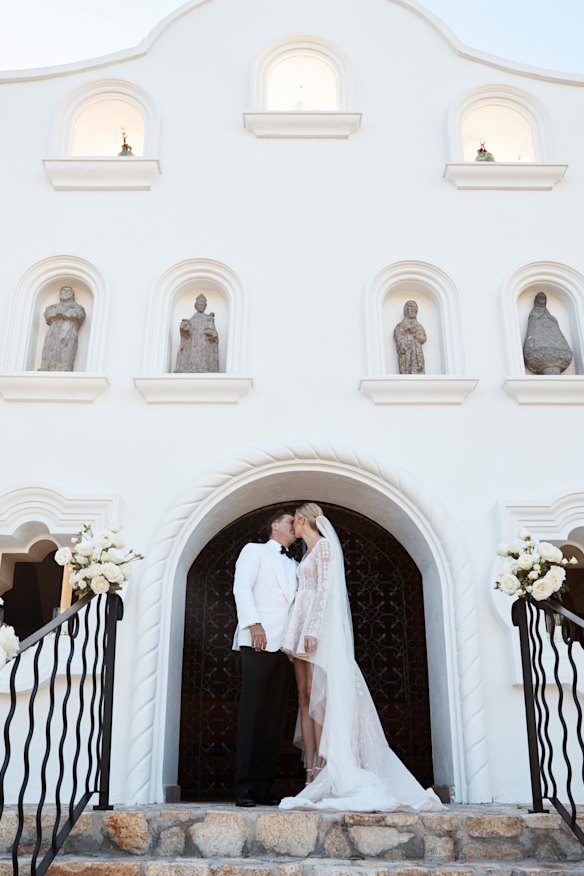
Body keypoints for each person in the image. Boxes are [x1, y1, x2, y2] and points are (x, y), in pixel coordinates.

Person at [280, 502, 443, 812]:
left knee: (319, 696)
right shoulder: (305, 554)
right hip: (299, 628)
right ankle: (309, 770)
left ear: (303, 520)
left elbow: (327, 590)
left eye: (295, 522)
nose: (292, 527)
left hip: (317, 629)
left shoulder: (325, 547)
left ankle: (324, 764)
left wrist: (313, 629)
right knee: (303, 696)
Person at [232, 510, 298, 807]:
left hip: (285, 648)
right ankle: (244, 786)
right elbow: (242, 588)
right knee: (253, 714)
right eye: (290, 521)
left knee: (274, 718)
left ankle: (262, 785)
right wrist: (253, 624)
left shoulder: (295, 564)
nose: (295, 526)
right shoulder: (254, 551)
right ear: (275, 526)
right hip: (257, 641)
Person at [39, 286, 86, 372]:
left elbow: (79, 315)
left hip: (68, 331)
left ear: (72, 294)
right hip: (54, 331)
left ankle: (64, 368)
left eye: (68, 291)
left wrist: (64, 314)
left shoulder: (77, 307)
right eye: (63, 290)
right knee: (50, 347)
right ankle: (47, 367)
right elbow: (48, 314)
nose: (65, 292)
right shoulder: (53, 307)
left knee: (66, 347)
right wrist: (60, 313)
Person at [174, 293, 219, 373]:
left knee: (203, 358)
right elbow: (188, 334)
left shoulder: (208, 318)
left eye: (202, 304)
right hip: (193, 345)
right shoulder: (193, 319)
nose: (200, 306)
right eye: (199, 304)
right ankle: (190, 369)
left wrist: (210, 332)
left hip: (204, 345)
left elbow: (214, 335)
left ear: (205, 306)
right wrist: (184, 327)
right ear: (195, 305)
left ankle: (205, 369)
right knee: (193, 357)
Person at [393, 300, 427, 375]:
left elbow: (423, 338)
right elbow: (397, 336)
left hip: (417, 354)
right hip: (406, 354)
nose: (411, 310)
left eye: (413, 308)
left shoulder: (418, 326)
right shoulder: (400, 325)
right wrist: (406, 338)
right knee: (406, 369)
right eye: (410, 307)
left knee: (418, 370)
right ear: (406, 310)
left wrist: (416, 336)